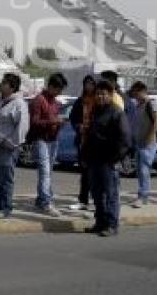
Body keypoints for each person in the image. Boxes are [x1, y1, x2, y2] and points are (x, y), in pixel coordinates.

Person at [83, 80, 131, 237]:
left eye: (103, 94)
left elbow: (125, 140)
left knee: (111, 194)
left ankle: (112, 224)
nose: (100, 96)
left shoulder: (117, 113)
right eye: (98, 93)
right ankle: (100, 222)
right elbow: (90, 135)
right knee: (97, 194)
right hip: (94, 160)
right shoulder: (96, 111)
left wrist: (114, 159)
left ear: (110, 95)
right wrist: (84, 155)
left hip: (109, 161)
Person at [0, 73, 29, 219]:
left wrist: (12, 142)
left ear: (12, 87)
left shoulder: (19, 103)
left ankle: (5, 207)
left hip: (6, 147)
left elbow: (23, 126)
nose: (1, 85)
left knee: (5, 178)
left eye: (4, 83)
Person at [27, 73, 68, 216]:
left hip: (52, 140)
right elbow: (34, 122)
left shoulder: (55, 102)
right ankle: (45, 202)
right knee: (45, 172)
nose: (59, 93)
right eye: (58, 89)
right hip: (41, 139)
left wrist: (59, 123)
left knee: (47, 172)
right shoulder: (38, 100)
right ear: (51, 86)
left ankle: (41, 199)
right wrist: (54, 121)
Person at [129, 81, 157, 208]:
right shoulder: (138, 105)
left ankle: (143, 196)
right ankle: (142, 195)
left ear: (142, 91)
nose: (135, 95)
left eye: (136, 92)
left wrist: (150, 137)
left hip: (148, 143)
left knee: (144, 170)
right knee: (139, 170)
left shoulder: (151, 103)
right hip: (139, 142)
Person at [68, 75, 96, 211]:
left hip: (96, 141)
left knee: (96, 173)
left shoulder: (98, 101)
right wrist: (78, 126)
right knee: (84, 172)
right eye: (86, 83)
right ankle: (83, 200)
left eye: (91, 83)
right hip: (83, 140)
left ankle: (97, 200)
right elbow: (72, 117)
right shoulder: (80, 101)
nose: (88, 86)